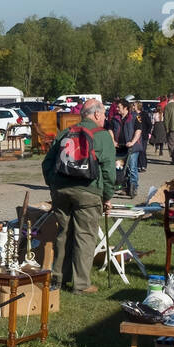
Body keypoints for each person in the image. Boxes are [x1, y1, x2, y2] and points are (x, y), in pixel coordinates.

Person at [42, 99, 116, 293]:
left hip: (61, 191)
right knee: (85, 236)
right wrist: (107, 196)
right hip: (88, 191)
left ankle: (58, 279)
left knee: (63, 234)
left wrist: (54, 185)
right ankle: (81, 285)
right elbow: (109, 170)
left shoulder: (66, 133)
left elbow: (47, 163)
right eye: (104, 114)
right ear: (97, 114)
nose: (105, 118)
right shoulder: (102, 136)